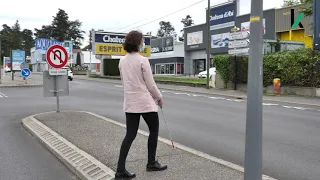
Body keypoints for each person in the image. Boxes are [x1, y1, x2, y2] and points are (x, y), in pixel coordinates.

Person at [115, 30, 167, 179]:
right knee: (154, 130)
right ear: (138, 43)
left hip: (130, 103)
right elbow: (150, 84)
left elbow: (124, 82)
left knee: (130, 135)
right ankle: (151, 163)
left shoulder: (122, 61)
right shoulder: (143, 60)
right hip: (145, 102)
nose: (143, 43)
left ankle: (120, 170)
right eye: (142, 41)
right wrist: (159, 97)